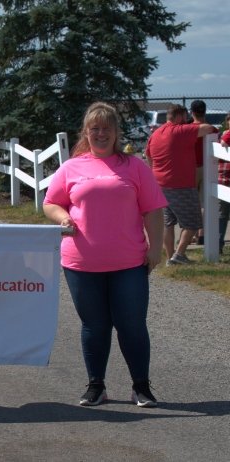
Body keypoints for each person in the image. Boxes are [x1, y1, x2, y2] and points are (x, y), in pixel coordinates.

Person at [43, 102, 167, 408]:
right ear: (86, 132)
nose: (101, 133)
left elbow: (153, 211)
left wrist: (155, 249)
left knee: (132, 324)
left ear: (116, 132)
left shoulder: (135, 166)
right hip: (81, 263)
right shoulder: (72, 167)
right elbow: (50, 202)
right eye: (95, 128)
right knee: (94, 326)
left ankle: (141, 387)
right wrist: (62, 218)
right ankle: (96, 386)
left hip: (129, 263)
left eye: (106, 128)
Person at [145, 104, 216, 265]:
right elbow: (209, 128)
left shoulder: (156, 134)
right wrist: (195, 123)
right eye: (185, 117)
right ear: (179, 116)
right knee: (193, 222)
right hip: (181, 185)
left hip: (160, 184)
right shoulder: (181, 131)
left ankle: (171, 257)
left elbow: (149, 156)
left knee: (168, 223)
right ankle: (179, 255)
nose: (187, 120)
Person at [190, 100, 220, 245]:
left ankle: (191, 234)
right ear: (205, 111)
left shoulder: (187, 129)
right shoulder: (212, 129)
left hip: (190, 168)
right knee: (204, 202)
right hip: (208, 168)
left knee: (191, 203)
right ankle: (202, 234)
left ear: (192, 112)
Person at [219, 116, 230, 253]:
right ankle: (218, 244)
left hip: (224, 177)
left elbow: (224, 143)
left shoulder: (226, 134)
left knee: (222, 214)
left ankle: (218, 244)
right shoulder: (224, 134)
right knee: (222, 214)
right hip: (224, 177)